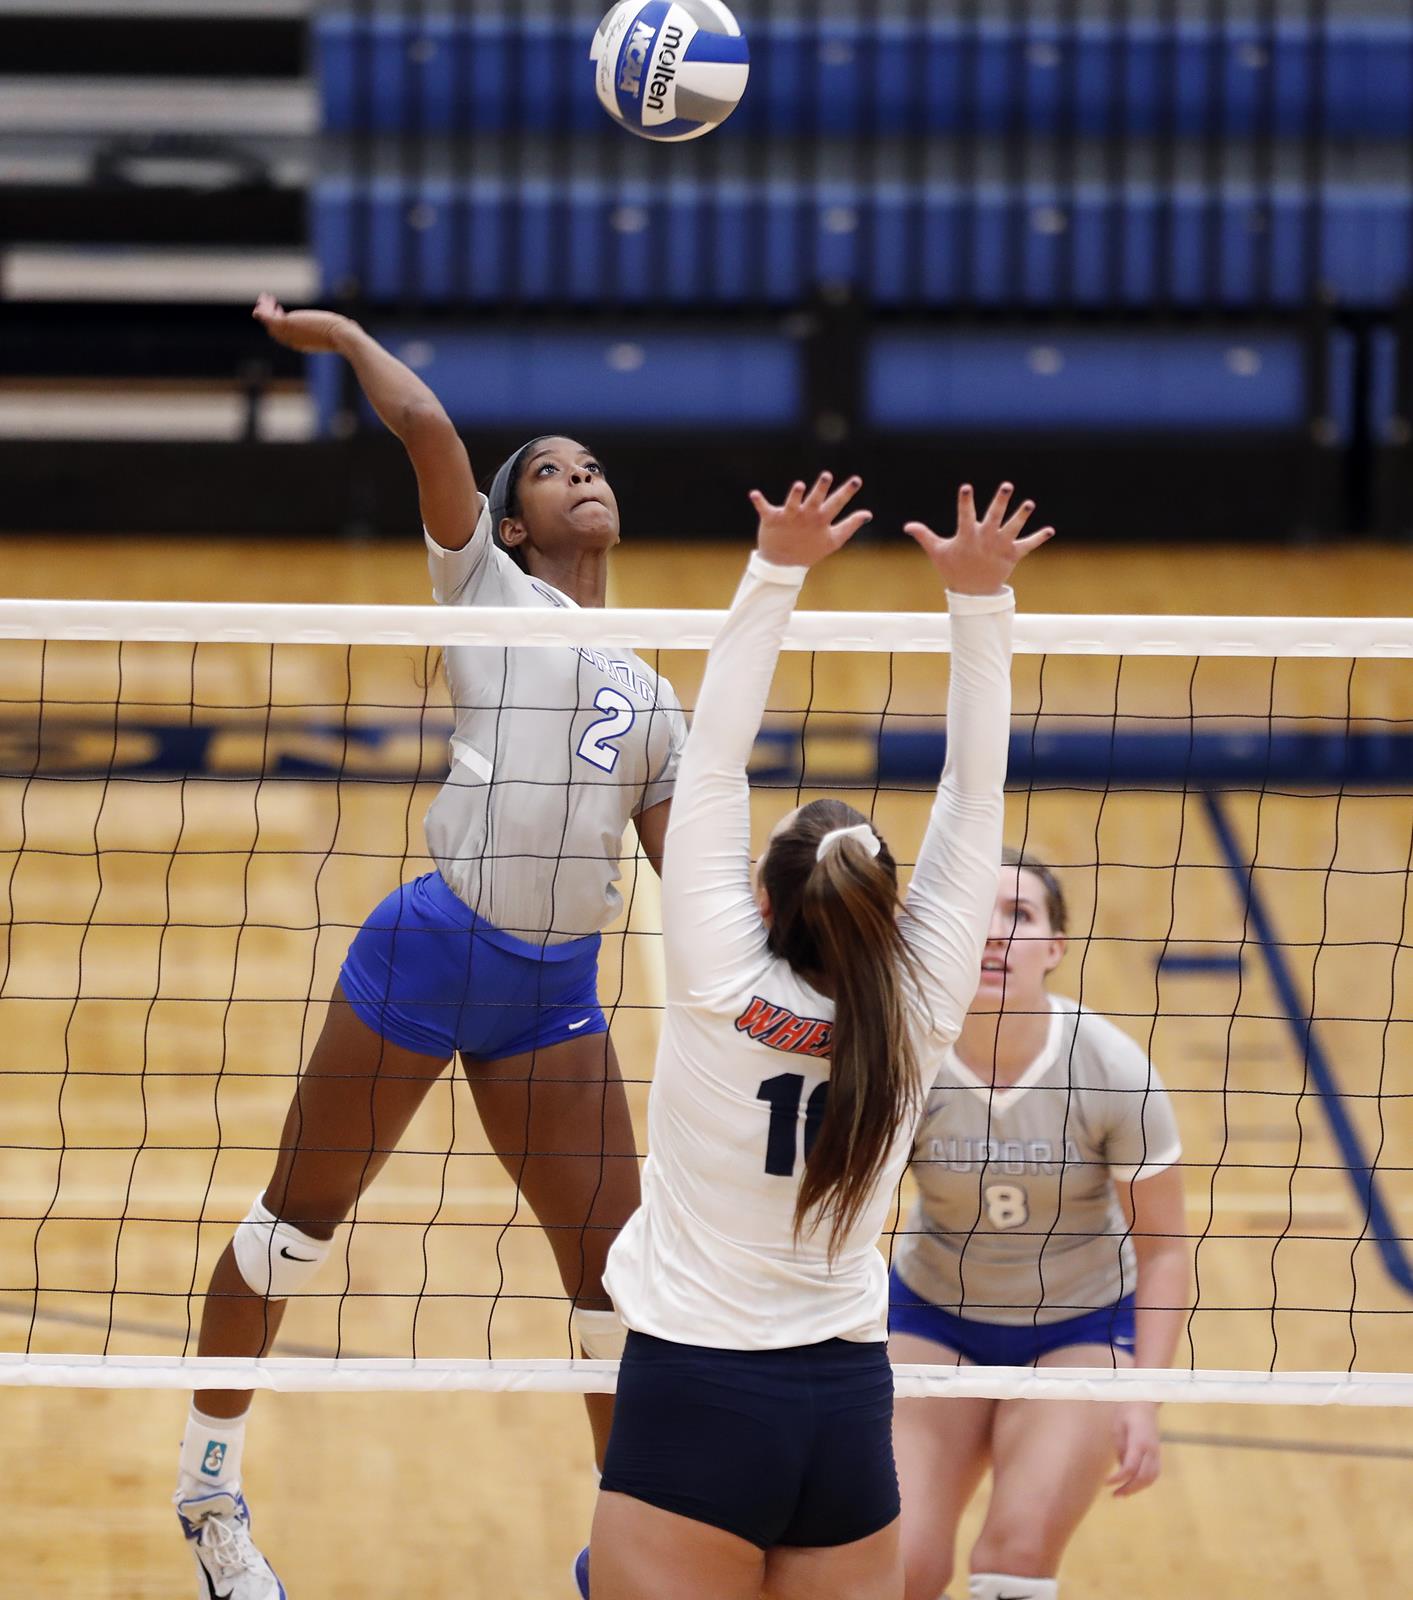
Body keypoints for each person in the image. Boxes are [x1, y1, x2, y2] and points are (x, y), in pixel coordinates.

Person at [172, 296, 688, 1600]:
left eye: (596, 466)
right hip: (432, 947)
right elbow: (428, 426)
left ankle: (626, 1554)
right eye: (556, 470)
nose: (586, 479)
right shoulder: (486, 586)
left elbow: (695, 891)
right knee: (294, 1230)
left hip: (554, 997)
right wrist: (344, 344)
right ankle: (209, 1495)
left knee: (615, 1286)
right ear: (511, 520)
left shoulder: (658, 692)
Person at [583, 474, 1053, 1600]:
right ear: (890, 914)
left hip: (689, 1399)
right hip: (844, 1419)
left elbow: (709, 759)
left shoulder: (713, 975)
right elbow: (973, 790)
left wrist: (774, 567)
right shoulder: (919, 1003)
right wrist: (979, 601)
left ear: (758, 894)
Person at [889, 848, 1191, 1600]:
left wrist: (1141, 1399)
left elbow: (1162, 1249)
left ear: (1054, 948)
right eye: (975, 916)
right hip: (931, 1314)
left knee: (1014, 1557)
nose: (994, 935)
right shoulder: (902, 1058)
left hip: (1078, 1329)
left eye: (1018, 916)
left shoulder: (1111, 1069)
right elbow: (844, 1222)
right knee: (900, 1569)